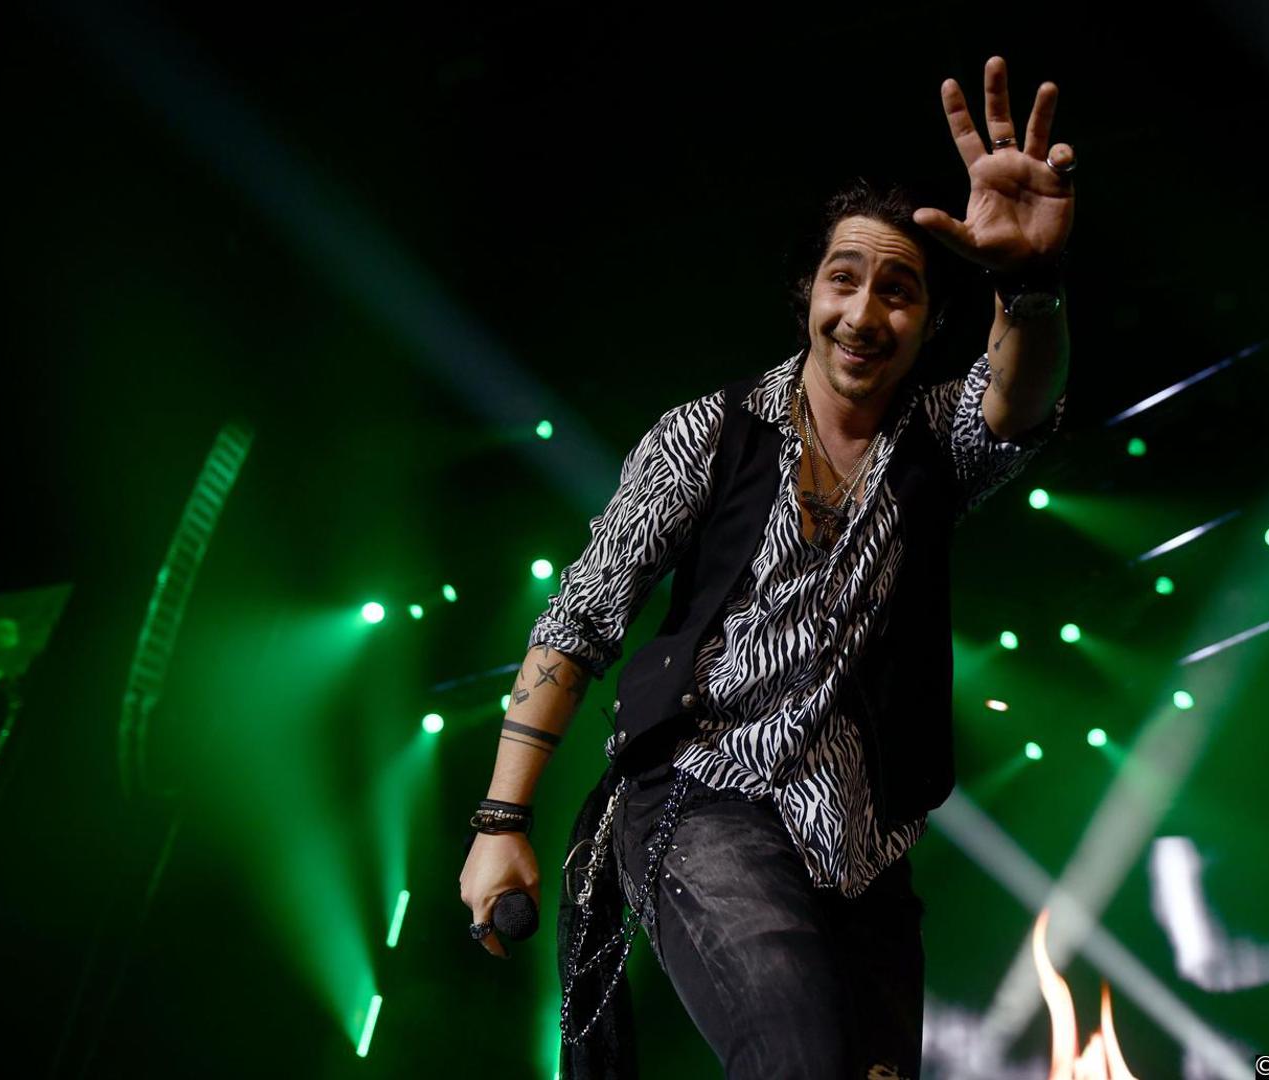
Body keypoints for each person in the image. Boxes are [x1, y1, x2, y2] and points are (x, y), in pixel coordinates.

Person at [460, 54, 1076, 1079]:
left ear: (928, 323)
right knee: (798, 1055)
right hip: (703, 795)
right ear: (807, 294)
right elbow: (580, 618)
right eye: (845, 280)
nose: (864, 315)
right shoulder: (706, 434)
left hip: (866, 853)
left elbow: (1019, 400)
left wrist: (1031, 283)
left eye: (898, 292)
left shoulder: (937, 438)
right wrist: (501, 818)